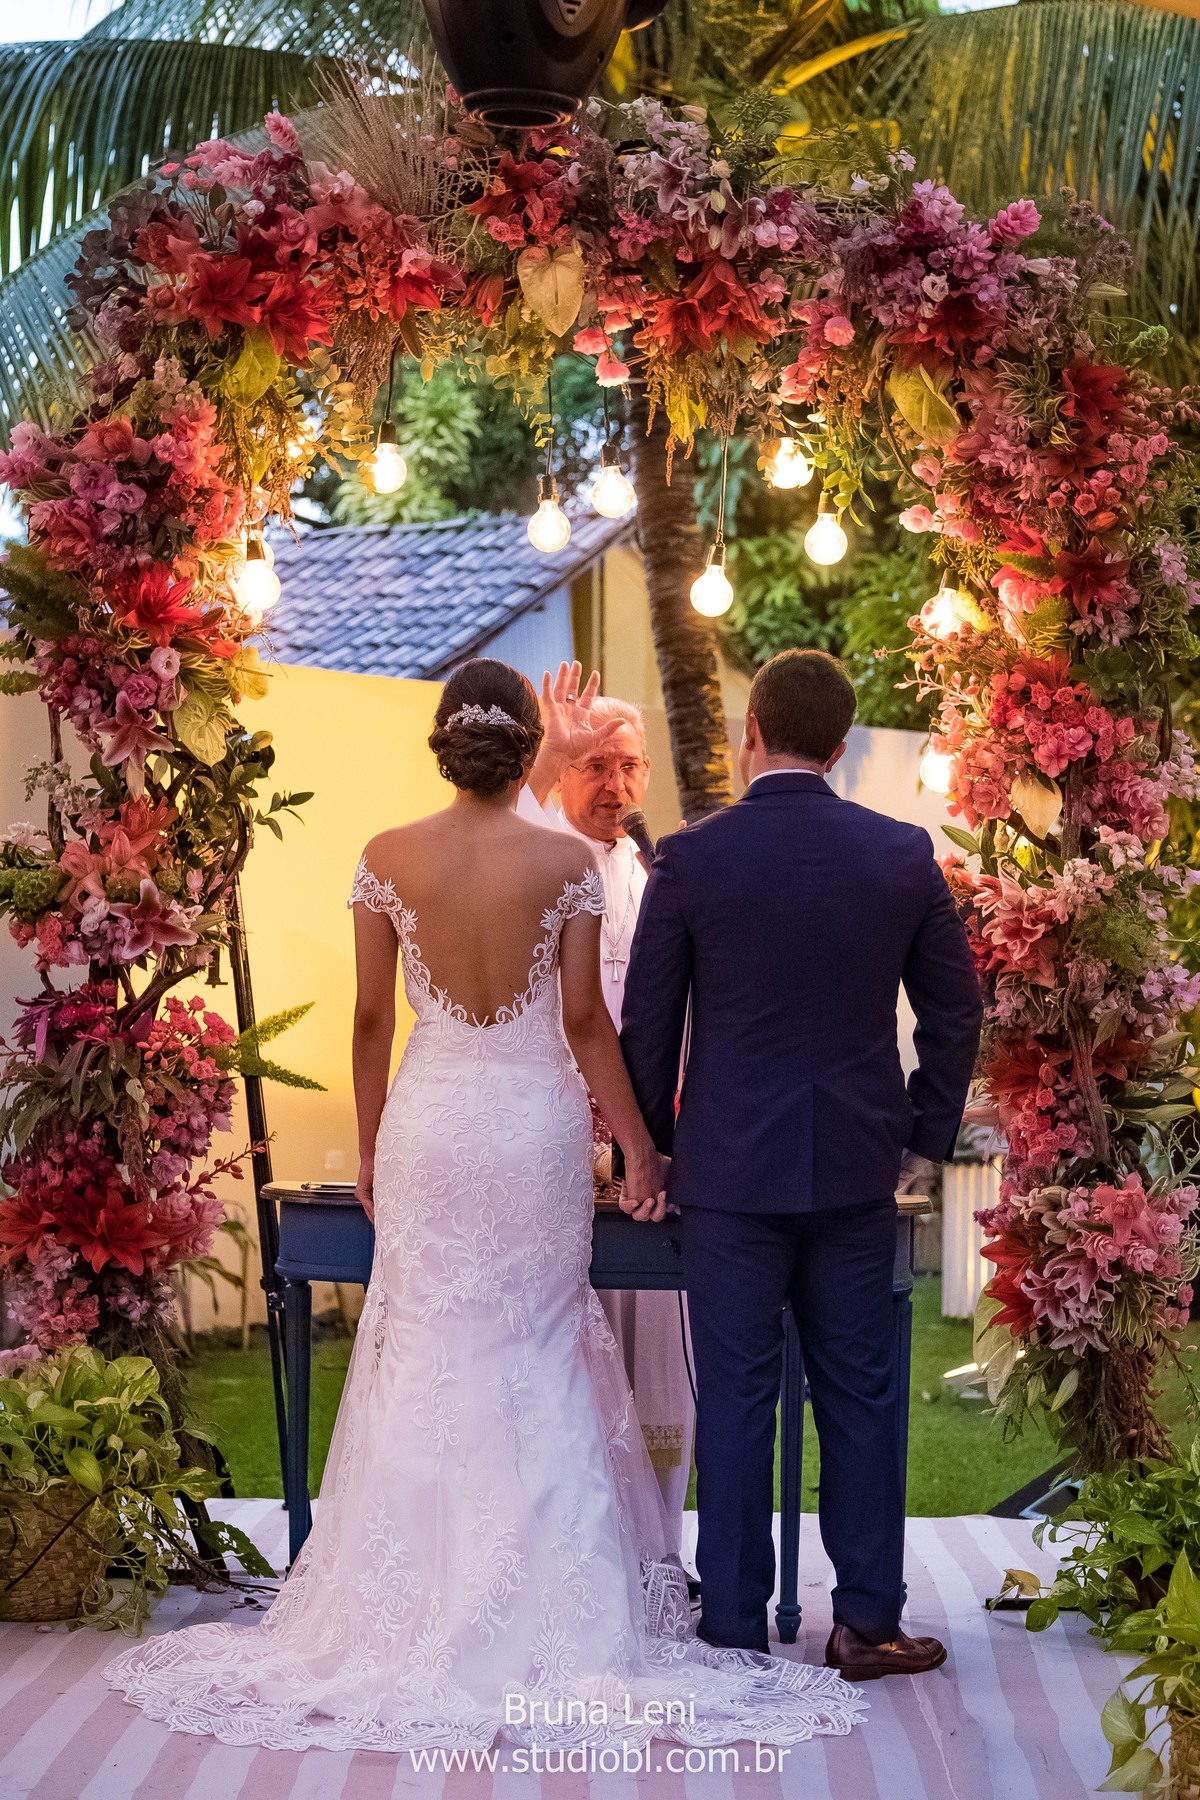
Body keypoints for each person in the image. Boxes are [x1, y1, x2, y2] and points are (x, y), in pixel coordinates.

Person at [105, 657, 864, 1753]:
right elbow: (588, 1030)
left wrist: (369, 1151)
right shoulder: (566, 865)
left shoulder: (384, 859)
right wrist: (644, 1150)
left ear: (442, 744)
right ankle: (563, 1612)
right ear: (528, 751)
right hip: (531, 1131)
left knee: (422, 1345)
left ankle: (396, 1609)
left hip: (430, 1125)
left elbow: (372, 1025)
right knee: (539, 1343)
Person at [620, 648, 983, 1681]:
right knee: (860, 1396)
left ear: (749, 733)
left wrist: (650, 1151)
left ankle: (733, 1619)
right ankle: (865, 1621)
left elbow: (650, 1027)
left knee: (736, 1398)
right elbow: (957, 1011)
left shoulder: (691, 860)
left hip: (728, 1175)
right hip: (861, 1171)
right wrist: (923, 1135)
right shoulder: (901, 854)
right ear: (841, 743)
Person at [517, 661, 696, 1541]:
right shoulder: (530, 858)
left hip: (649, 1139)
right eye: (595, 765)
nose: (615, 784)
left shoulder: (664, 872)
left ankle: (659, 1545)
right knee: (565, 1353)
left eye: (629, 766)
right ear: (562, 771)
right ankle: (577, 1549)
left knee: (658, 1347)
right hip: (550, 1138)